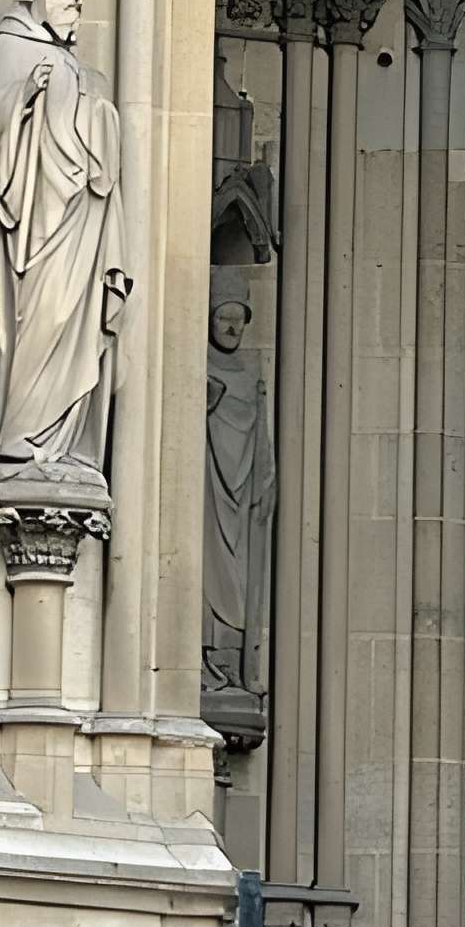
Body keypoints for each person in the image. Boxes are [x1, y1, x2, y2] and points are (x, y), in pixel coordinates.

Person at [0, 0, 130, 473]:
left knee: (76, 325)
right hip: (38, 225)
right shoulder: (13, 46)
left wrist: (99, 109)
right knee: (40, 320)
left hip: (81, 223)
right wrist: (27, 91)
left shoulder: (69, 60)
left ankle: (61, 444)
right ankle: (23, 439)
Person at [202, 267, 275, 707]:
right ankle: (205, 660)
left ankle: (235, 663)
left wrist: (267, 480)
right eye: (222, 317)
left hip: (244, 495)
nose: (231, 326)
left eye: (238, 317)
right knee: (209, 569)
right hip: (209, 494)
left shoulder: (252, 375)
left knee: (242, 575)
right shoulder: (199, 367)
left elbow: (261, 436)